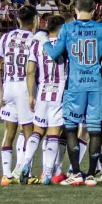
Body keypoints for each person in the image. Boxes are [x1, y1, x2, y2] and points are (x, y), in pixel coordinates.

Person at [33, 0, 102, 186]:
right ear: (95, 11)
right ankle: (92, 175)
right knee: (95, 129)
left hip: (75, 86)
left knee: (71, 128)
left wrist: (44, 41)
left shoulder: (68, 29)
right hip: (94, 85)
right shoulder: (101, 28)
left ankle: (76, 173)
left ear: (75, 10)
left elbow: (54, 55)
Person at [0, 6, 39, 186]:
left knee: (9, 132)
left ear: (18, 20)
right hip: (24, 87)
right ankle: (26, 173)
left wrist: (0, 89)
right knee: (29, 132)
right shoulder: (35, 39)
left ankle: (6, 175)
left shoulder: (6, 37)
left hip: (8, 86)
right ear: (34, 20)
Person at [20, 15, 67, 185]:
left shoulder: (37, 45)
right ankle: (47, 173)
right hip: (59, 94)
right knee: (53, 134)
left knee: (37, 131)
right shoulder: (65, 45)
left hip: (42, 93)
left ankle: (25, 163)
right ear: (61, 28)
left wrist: (31, 95)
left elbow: (30, 72)